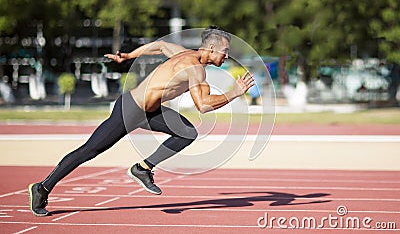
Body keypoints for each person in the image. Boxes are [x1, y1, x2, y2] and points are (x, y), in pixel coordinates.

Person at [28, 25, 254, 216]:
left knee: (187, 132)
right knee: (89, 150)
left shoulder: (184, 54)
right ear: (211, 48)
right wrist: (234, 93)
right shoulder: (195, 69)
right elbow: (203, 105)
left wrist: (128, 56)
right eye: (225, 51)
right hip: (130, 110)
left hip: (150, 112)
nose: (226, 56)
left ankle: (142, 168)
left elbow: (160, 46)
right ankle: (42, 187)